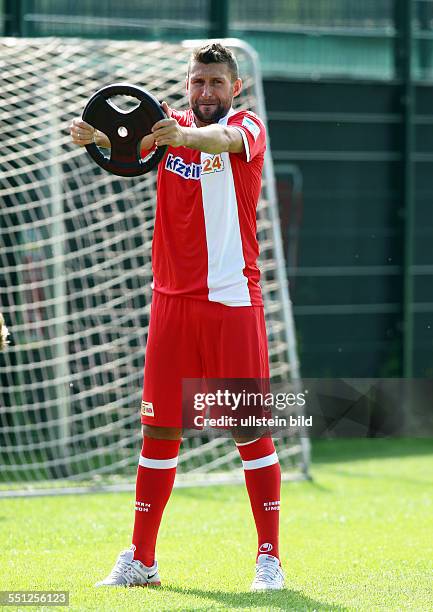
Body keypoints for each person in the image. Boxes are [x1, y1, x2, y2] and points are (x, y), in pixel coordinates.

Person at [70, 42, 284, 592]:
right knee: (160, 430)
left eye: (215, 83)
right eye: (197, 82)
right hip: (170, 301)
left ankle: (269, 559)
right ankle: (141, 560)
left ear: (235, 87)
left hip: (232, 299)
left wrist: (182, 135)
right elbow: (128, 155)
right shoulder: (167, 127)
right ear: (187, 84)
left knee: (249, 429)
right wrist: (96, 138)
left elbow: (222, 140)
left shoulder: (246, 127)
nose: (205, 92)